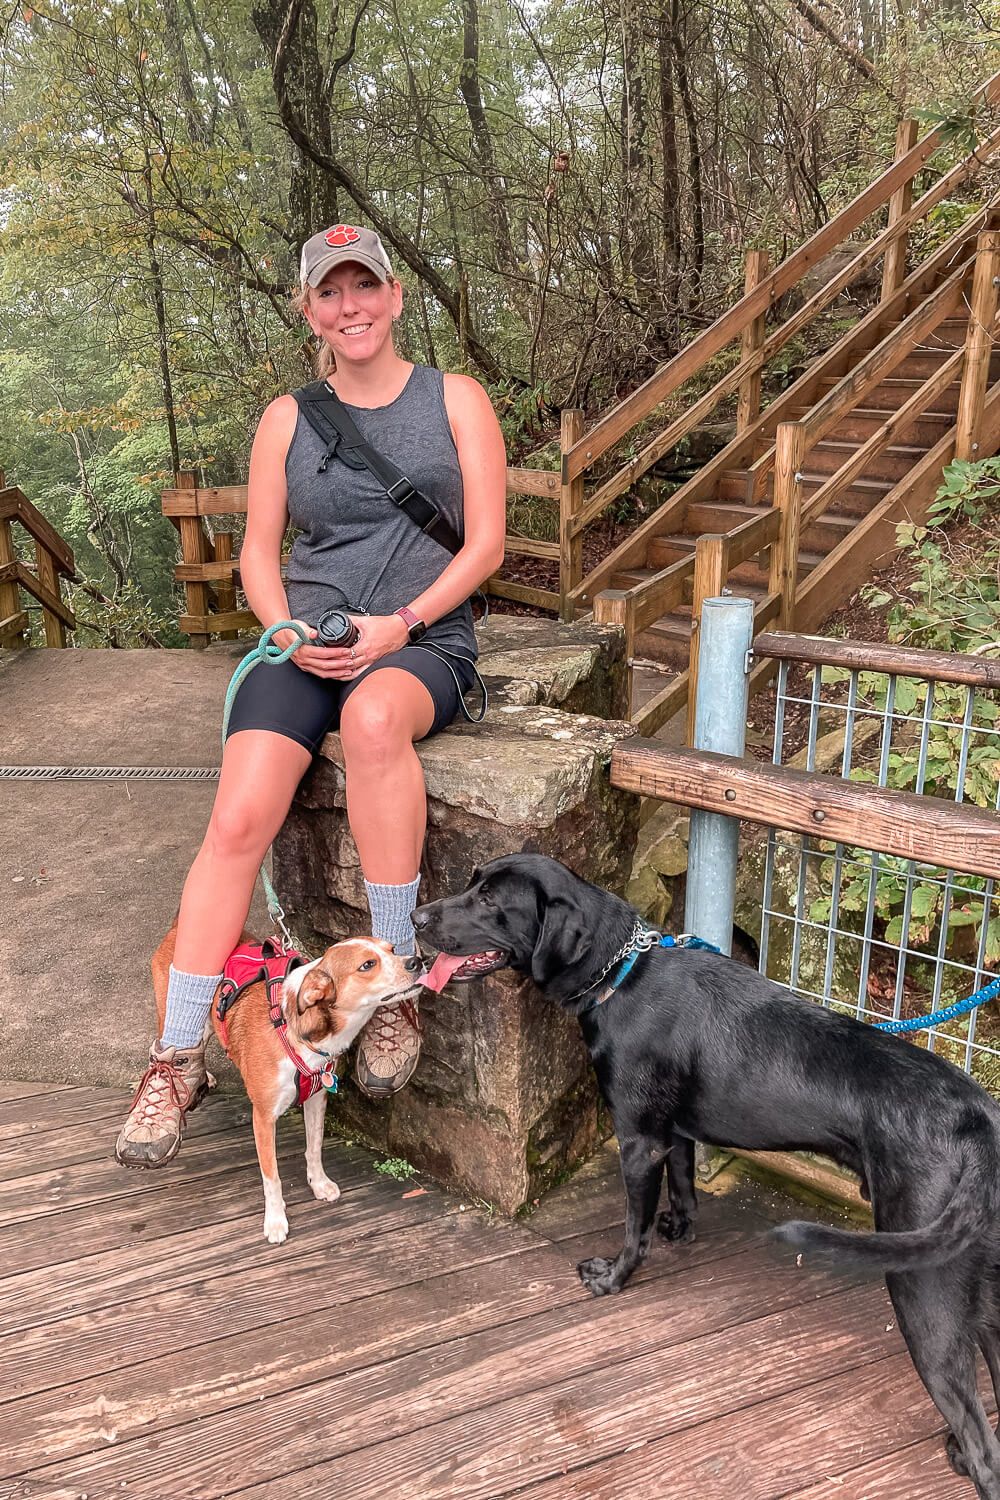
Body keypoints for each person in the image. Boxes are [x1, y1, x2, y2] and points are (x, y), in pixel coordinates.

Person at [115, 224, 507, 1167]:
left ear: (395, 295)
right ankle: (175, 1057)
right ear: (309, 312)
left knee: (375, 720)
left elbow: (486, 545)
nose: (350, 308)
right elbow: (258, 551)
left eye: (363, 287)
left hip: (422, 638)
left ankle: (391, 997)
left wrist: (401, 625)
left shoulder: (455, 399)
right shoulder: (287, 418)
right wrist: (284, 628)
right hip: (306, 640)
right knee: (239, 815)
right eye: (329, 294)